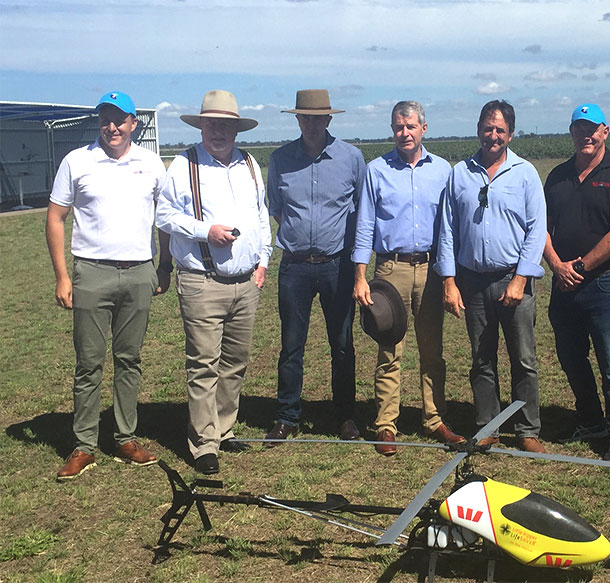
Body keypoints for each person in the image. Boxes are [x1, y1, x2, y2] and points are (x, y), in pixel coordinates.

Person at [46, 91, 169, 481]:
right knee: (89, 363)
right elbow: (55, 217)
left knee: (129, 359)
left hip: (138, 273)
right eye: (105, 119)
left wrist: (163, 267)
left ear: (134, 123)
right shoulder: (77, 161)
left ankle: (124, 437)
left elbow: (164, 219)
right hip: (92, 273)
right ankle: (83, 445)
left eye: (120, 120)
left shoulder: (151, 163)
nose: (112, 127)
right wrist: (63, 276)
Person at [156, 90, 271, 475]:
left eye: (225, 125)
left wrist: (263, 260)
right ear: (201, 126)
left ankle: (223, 428)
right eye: (211, 124)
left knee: (235, 363)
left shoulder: (250, 164)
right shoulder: (183, 165)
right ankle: (204, 443)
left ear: (236, 129)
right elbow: (164, 216)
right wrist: (207, 231)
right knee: (204, 365)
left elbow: (260, 215)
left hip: (246, 282)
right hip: (202, 281)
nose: (218, 131)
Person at [352, 101, 465, 456]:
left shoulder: (443, 171)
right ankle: (386, 424)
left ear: (424, 129)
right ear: (393, 130)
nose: (405, 133)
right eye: (399, 127)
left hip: (431, 270)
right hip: (390, 270)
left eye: (411, 126)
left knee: (433, 351)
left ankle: (435, 419)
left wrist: (449, 276)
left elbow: (449, 228)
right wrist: (360, 276)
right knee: (389, 349)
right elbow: (365, 225)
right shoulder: (376, 170)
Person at [435, 100, 547, 453]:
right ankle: (488, 425)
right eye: (488, 128)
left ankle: (527, 429)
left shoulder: (525, 173)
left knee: (523, 358)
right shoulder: (460, 173)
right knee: (481, 358)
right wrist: (449, 281)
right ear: (478, 130)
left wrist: (520, 279)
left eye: (500, 129)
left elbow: (535, 229)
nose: (493, 135)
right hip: (472, 281)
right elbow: (448, 230)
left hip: (514, 280)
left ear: (510, 133)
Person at [265, 89, 366, 444]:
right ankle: (287, 416)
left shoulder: (351, 158)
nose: (310, 123)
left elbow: (360, 211)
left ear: (328, 119)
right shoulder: (280, 159)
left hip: (336, 265)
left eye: (317, 117)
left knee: (342, 344)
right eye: (304, 117)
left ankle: (345, 417)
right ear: (297, 119)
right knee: (291, 345)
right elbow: (276, 208)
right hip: (294, 267)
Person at [543, 103, 610, 462]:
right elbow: (541, 229)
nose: (587, 135)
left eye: (593, 128)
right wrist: (556, 265)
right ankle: (591, 418)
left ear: (605, 131)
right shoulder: (558, 176)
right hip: (562, 283)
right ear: (572, 133)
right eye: (580, 129)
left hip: (603, 284)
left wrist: (578, 267)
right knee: (571, 357)